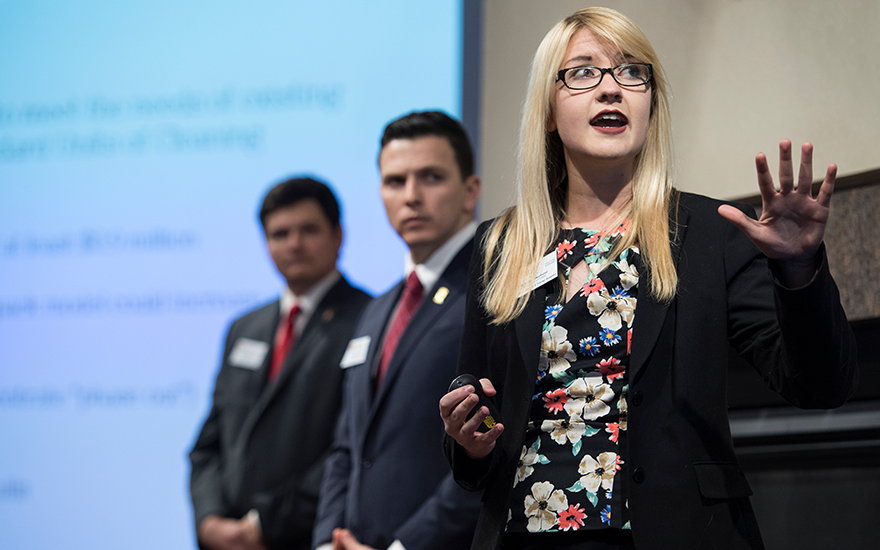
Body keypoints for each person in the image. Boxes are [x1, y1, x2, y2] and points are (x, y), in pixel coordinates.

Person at [439, 7, 858, 550]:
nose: (611, 88)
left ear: (650, 103)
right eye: (583, 72)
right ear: (547, 111)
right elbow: (479, 422)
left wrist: (799, 271)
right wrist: (469, 442)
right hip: (523, 531)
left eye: (632, 72)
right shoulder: (500, 244)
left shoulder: (710, 233)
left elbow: (820, 386)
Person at [312, 111, 483, 550]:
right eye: (395, 181)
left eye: (431, 177)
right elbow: (348, 444)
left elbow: (496, 445)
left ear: (470, 191)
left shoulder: (493, 293)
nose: (411, 196)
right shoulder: (378, 308)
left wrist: (404, 546)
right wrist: (328, 540)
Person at [190, 177, 371, 550]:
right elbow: (208, 445)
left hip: (310, 537)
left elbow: (354, 445)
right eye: (280, 234)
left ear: (338, 235)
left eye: (309, 230)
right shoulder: (244, 327)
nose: (294, 244)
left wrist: (262, 525)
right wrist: (209, 520)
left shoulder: (370, 320)